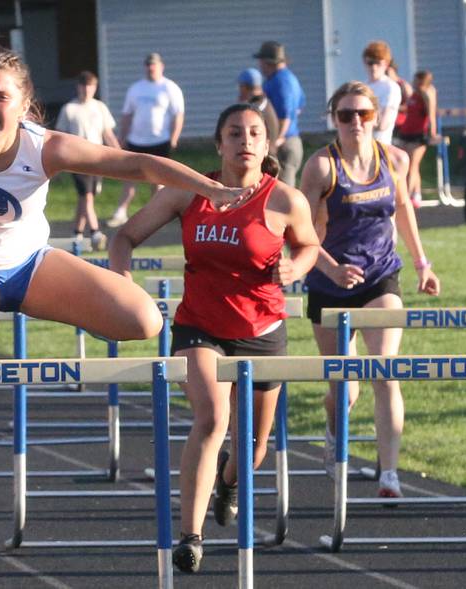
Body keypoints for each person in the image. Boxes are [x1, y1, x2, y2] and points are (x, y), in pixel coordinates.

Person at [0, 28, 249, 387]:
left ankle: (53, 314)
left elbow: (135, 164)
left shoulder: (45, 148)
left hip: (27, 265)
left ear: (23, 105)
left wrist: (207, 186)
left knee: (144, 319)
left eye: (0, 97)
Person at [110, 103, 319, 573]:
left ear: (267, 146)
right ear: (219, 143)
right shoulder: (186, 193)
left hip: (262, 330)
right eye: (234, 133)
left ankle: (229, 480)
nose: (245, 141)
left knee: (254, 448)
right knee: (211, 417)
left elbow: (308, 245)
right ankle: (191, 535)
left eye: (254, 134)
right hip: (199, 327)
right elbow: (125, 236)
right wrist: (121, 282)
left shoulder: (285, 200)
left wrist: (295, 266)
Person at [298, 81, 440, 499]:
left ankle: (390, 474)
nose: (355, 122)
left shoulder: (390, 158)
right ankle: (332, 426)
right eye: (346, 115)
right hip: (329, 281)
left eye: (363, 114)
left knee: (384, 368)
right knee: (345, 388)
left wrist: (422, 264)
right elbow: (301, 233)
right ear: (334, 120)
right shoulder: (321, 167)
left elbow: (402, 211)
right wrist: (331, 268)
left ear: (376, 117)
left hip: (380, 275)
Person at [106, 52, 185, 228]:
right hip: (137, 141)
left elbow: (178, 115)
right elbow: (127, 114)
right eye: (148, 65)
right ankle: (121, 213)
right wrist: (122, 138)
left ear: (161, 67)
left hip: (160, 141)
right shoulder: (136, 88)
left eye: (154, 65)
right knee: (130, 177)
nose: (151, 68)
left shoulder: (169, 88)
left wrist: (174, 138)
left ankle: (158, 214)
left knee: (157, 181)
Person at [55, 70, 120, 250]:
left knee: (86, 197)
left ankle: (77, 233)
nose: (86, 90)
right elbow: (61, 136)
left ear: (95, 87)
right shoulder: (69, 109)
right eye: (83, 86)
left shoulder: (99, 107)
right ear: (78, 87)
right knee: (87, 196)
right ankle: (95, 232)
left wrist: (120, 155)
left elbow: (108, 134)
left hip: (97, 159)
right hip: (76, 159)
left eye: (90, 86)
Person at [254, 41, 305, 187]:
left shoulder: (279, 82)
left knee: (283, 191)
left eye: (261, 61)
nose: (260, 65)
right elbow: (299, 107)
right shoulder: (290, 77)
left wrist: (277, 139)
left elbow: (285, 116)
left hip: (284, 144)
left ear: (268, 62)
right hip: (293, 140)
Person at [395, 70, 439, 209]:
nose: (413, 83)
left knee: (411, 166)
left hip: (419, 135)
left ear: (421, 81)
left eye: (415, 80)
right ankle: (417, 194)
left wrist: (432, 133)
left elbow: (431, 115)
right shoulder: (413, 94)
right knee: (409, 165)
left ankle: (405, 197)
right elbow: (409, 109)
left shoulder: (426, 94)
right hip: (406, 131)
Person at [362, 41, 401, 145]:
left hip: (380, 145)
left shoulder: (391, 87)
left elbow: (382, 124)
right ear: (364, 62)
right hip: (360, 146)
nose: (374, 67)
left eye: (378, 63)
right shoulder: (362, 87)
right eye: (370, 63)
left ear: (386, 64)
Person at [236, 67, 279, 143]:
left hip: (265, 152)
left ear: (245, 87)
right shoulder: (263, 102)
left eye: (240, 86)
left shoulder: (258, 107)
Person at [387, 60, 412, 137]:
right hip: (388, 123)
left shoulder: (404, 86)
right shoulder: (385, 86)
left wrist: (393, 107)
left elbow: (410, 107)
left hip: (400, 124)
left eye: (387, 71)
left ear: (393, 70)